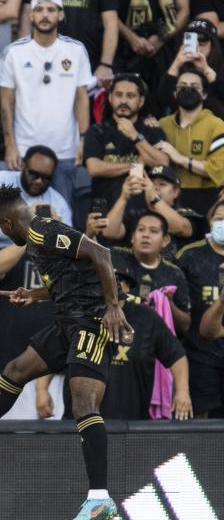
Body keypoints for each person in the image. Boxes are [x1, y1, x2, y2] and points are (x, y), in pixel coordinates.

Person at [0, 184, 131, 520]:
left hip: (91, 321)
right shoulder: (37, 240)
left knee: (83, 405)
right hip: (67, 321)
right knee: (16, 370)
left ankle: (99, 497)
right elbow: (70, 278)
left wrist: (112, 307)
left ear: (5, 224)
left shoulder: (45, 230)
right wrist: (33, 294)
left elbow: (102, 255)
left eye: (1, 229)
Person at [0, 0, 94, 205]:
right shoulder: (14, 52)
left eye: (51, 9)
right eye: (39, 10)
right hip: (24, 149)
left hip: (65, 149)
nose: (45, 15)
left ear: (61, 15)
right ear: (31, 16)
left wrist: (83, 139)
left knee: (62, 216)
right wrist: (10, 144)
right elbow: (5, 103)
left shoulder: (76, 50)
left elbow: (82, 98)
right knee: (19, 216)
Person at [83, 73, 182, 245]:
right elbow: (94, 168)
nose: (124, 100)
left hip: (144, 214)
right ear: (110, 98)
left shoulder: (151, 130)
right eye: (119, 95)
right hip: (106, 209)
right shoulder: (97, 131)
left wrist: (135, 136)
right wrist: (136, 165)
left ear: (141, 101)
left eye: (130, 96)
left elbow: (163, 163)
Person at [0, 213, 61, 420]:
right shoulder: (12, 254)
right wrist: (28, 235)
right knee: (10, 447)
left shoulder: (65, 260)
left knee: (59, 447)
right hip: (11, 366)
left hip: (55, 373)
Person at [97, 271, 191, 420]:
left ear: (127, 287)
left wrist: (182, 392)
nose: (112, 284)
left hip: (132, 421)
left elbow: (176, 355)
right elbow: (52, 351)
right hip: (83, 420)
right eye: (105, 279)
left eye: (118, 280)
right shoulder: (81, 313)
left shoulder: (146, 317)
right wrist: (44, 389)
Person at [0, 145, 73, 258]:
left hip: (37, 265)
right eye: (33, 174)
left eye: (46, 178)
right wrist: (24, 219)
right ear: (22, 166)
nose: (39, 181)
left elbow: (67, 245)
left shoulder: (58, 201)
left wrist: (57, 230)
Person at [18, 0, 119, 89]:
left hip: (88, 63)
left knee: (82, 102)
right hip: (42, 62)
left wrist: (105, 65)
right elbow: (27, 17)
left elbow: (111, 23)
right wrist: (25, 57)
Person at [176, 199, 224, 416]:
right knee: (201, 421)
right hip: (200, 353)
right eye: (219, 219)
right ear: (209, 221)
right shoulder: (189, 255)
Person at [156, 66, 224, 216]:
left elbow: (218, 170)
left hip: (206, 198)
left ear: (204, 94)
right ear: (174, 93)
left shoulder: (217, 125)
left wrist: (179, 158)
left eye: (194, 87)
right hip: (167, 200)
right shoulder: (161, 124)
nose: (188, 90)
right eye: (182, 86)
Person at [111, 211, 191, 334]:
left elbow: (185, 325)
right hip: (113, 336)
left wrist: (169, 304)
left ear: (165, 240)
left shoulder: (174, 274)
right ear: (133, 236)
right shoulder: (115, 257)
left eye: (153, 231)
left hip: (151, 345)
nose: (146, 235)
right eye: (141, 230)